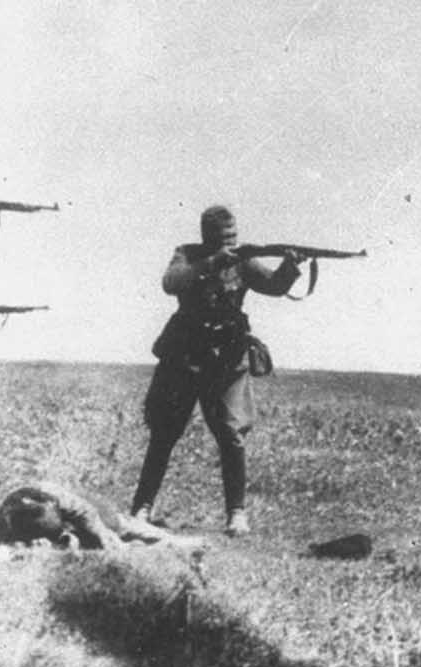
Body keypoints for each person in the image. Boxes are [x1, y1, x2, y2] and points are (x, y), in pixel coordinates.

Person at [129, 205, 304, 536]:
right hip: (184, 354)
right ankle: (142, 508)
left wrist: (290, 265)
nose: (230, 244)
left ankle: (236, 513)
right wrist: (211, 263)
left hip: (226, 357)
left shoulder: (244, 261)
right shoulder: (187, 255)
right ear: (207, 238)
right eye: (224, 239)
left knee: (231, 434)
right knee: (164, 433)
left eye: (233, 237)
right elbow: (171, 282)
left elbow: (274, 285)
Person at [1, 482, 201, 550]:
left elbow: (89, 515)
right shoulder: (6, 521)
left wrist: (105, 537)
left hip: (87, 511)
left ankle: (172, 540)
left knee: (117, 526)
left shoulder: (59, 498)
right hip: (35, 528)